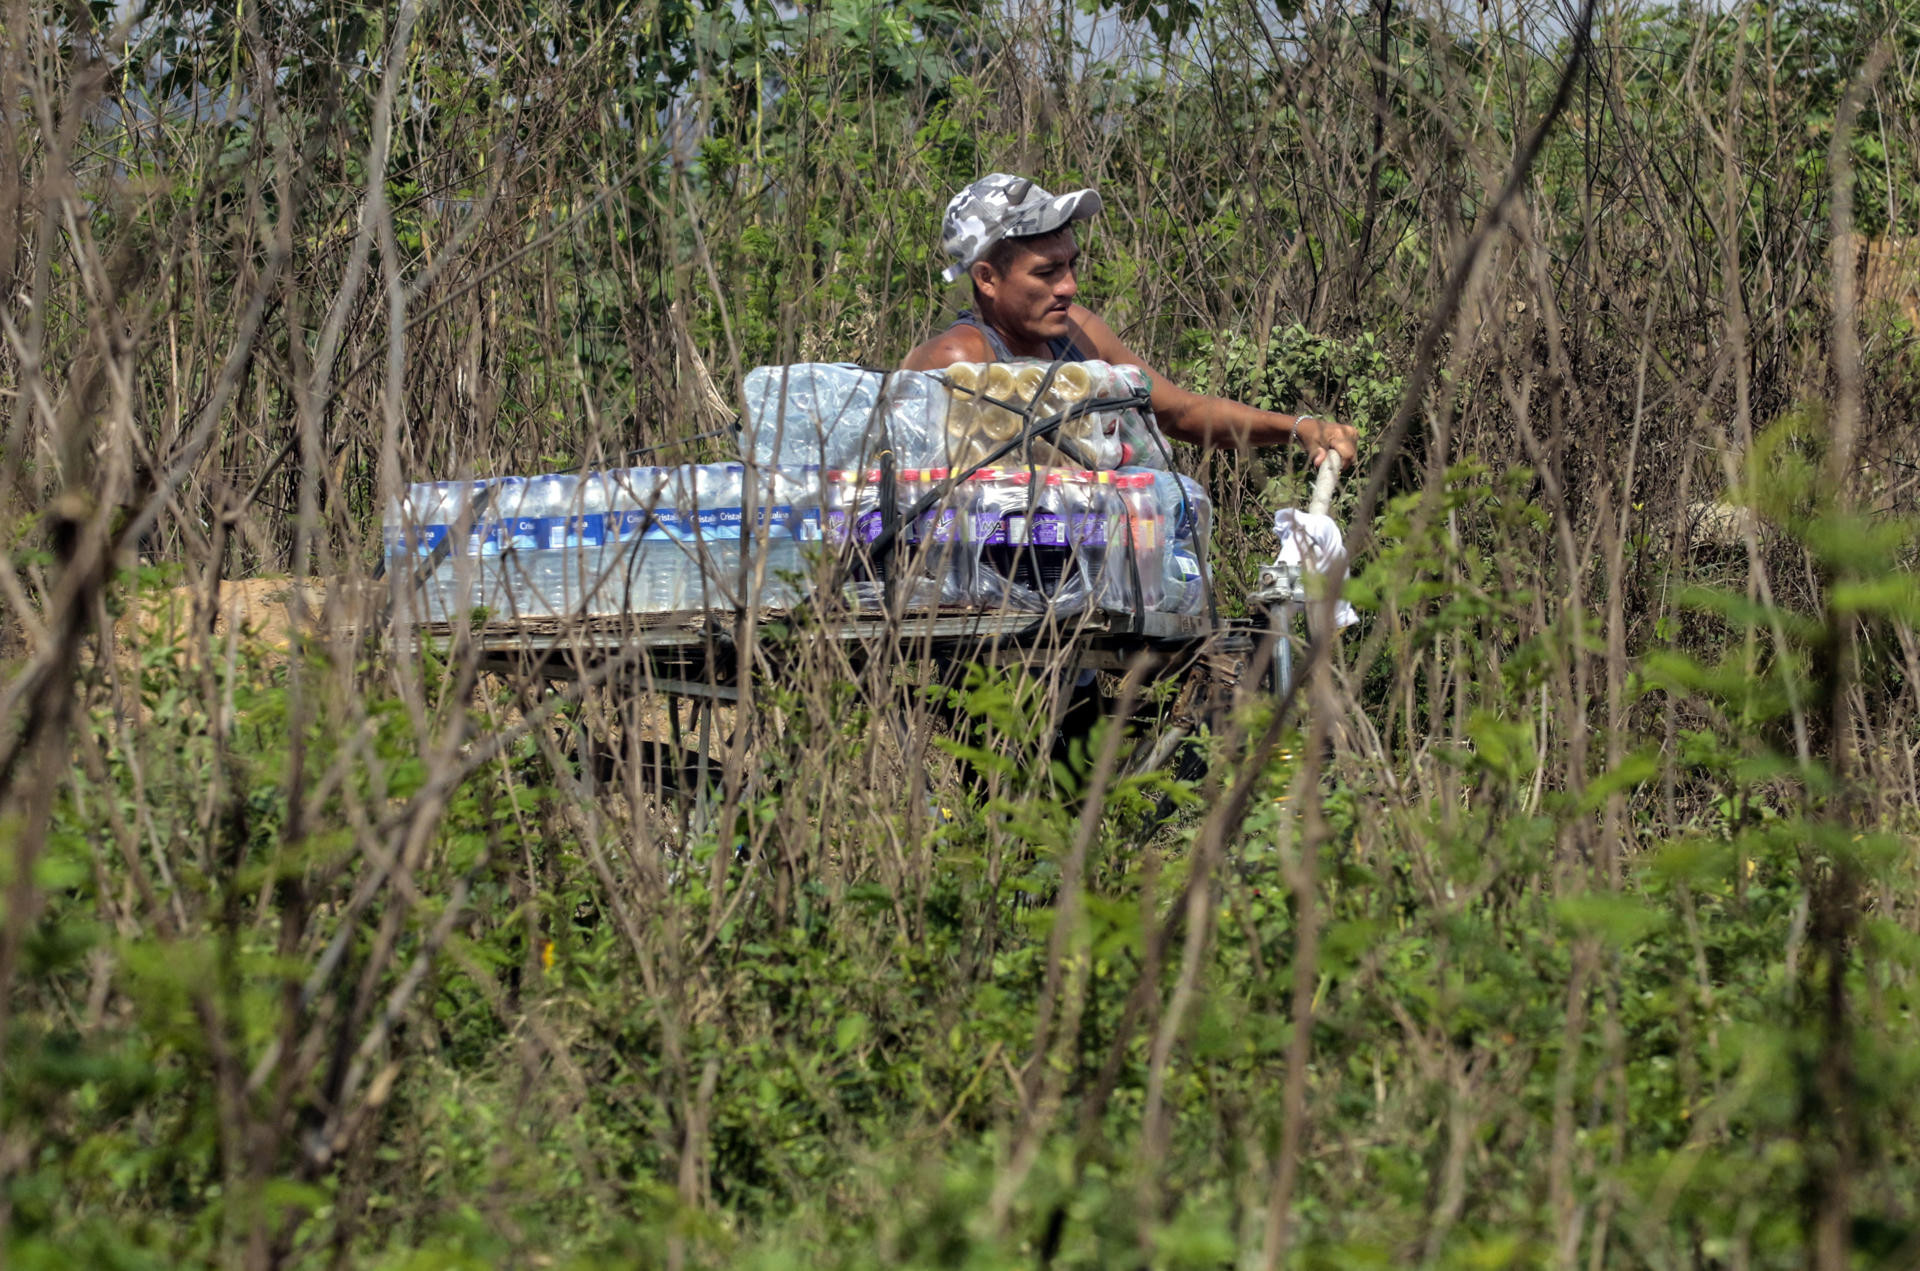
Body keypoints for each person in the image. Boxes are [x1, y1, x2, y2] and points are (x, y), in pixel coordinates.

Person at [903, 173, 1360, 468]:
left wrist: (1299, 428)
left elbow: (1181, 413)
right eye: (1046, 272)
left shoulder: (1077, 333)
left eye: (1071, 265)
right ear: (987, 278)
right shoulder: (958, 361)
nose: (1069, 287)